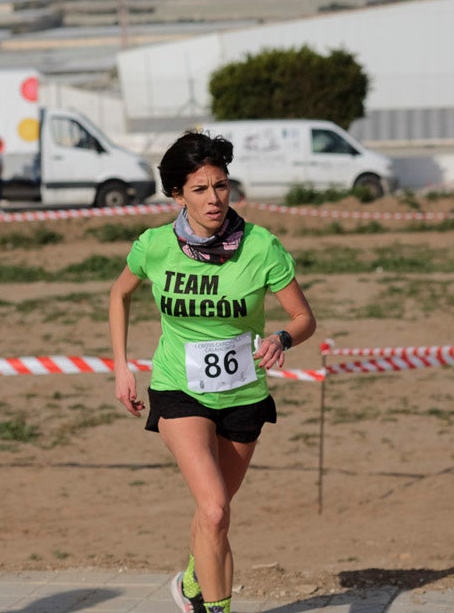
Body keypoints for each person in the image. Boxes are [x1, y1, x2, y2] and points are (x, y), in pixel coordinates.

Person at [108, 131, 316, 613]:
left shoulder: (261, 247)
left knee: (214, 516)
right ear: (178, 194)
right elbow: (118, 294)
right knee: (216, 507)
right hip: (179, 390)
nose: (214, 199)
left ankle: (191, 580)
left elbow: (304, 319)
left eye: (220, 186)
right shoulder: (155, 245)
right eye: (199, 189)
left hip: (243, 393)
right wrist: (121, 368)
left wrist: (281, 338)